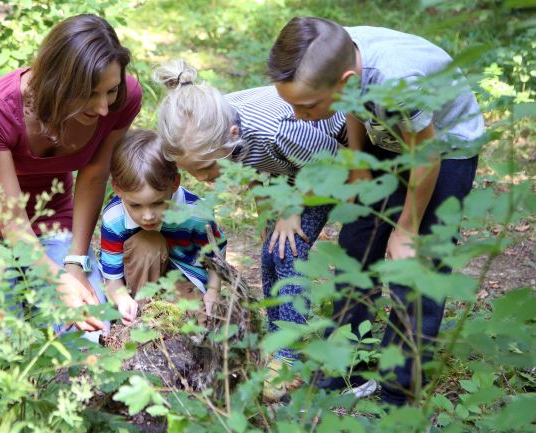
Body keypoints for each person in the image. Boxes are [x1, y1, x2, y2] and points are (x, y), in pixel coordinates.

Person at [268, 16, 483, 405]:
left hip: (444, 148)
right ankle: (349, 364)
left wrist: (407, 229)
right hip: (387, 136)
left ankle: (398, 391)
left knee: (415, 268)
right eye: (292, 106)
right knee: (358, 245)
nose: (299, 116)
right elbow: (354, 105)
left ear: (346, 80)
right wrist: (358, 163)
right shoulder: (339, 56)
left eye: (307, 106)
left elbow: (427, 153)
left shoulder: (397, 79)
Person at [153, 60, 347, 397]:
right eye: (191, 171)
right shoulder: (212, 126)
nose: (201, 178)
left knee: (288, 252)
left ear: (230, 137)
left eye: (205, 167)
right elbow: (257, 165)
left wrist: (290, 209)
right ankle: (278, 338)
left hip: (327, 163)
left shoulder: (276, 130)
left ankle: (289, 358)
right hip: (291, 169)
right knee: (271, 252)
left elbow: (331, 159)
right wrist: (266, 209)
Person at [0, 14, 142, 334]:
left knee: (94, 324)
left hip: (51, 208)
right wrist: (54, 281)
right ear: (57, 82)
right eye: (90, 94)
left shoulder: (123, 99)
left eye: (110, 91)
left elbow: (95, 174)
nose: (103, 108)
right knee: (0, 330)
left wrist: (75, 264)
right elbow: (9, 216)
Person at [98, 129, 226, 326]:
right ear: (117, 189)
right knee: (148, 242)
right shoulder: (114, 218)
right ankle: (140, 319)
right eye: (136, 205)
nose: (148, 216)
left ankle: (167, 322)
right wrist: (122, 299)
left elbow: (216, 256)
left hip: (185, 278)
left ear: (174, 183)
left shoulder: (197, 213)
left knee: (200, 323)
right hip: (137, 283)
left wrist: (213, 291)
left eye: (158, 203)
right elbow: (112, 279)